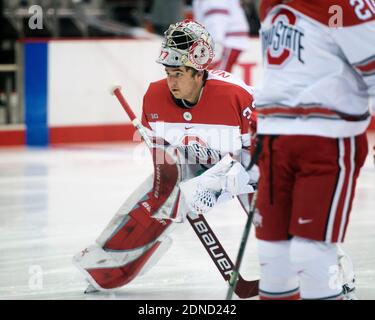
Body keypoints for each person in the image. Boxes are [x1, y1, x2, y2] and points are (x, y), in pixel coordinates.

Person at [72, 19, 259, 293]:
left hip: (249, 166)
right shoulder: (154, 98)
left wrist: (229, 182)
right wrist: (170, 190)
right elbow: (166, 162)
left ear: (198, 71)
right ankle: (107, 267)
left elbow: (262, 158)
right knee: (157, 200)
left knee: (272, 211)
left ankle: (326, 272)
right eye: (168, 72)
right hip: (200, 165)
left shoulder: (236, 97)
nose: (171, 81)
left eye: (178, 74)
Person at [254, 0, 375, 300]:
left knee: (311, 251)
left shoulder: (346, 5)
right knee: (272, 252)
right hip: (274, 137)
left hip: (327, 138)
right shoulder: (268, 4)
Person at [192, 0, 250, 72]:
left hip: (227, 41)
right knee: (219, 75)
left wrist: (216, 43)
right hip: (228, 39)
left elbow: (217, 18)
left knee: (217, 75)